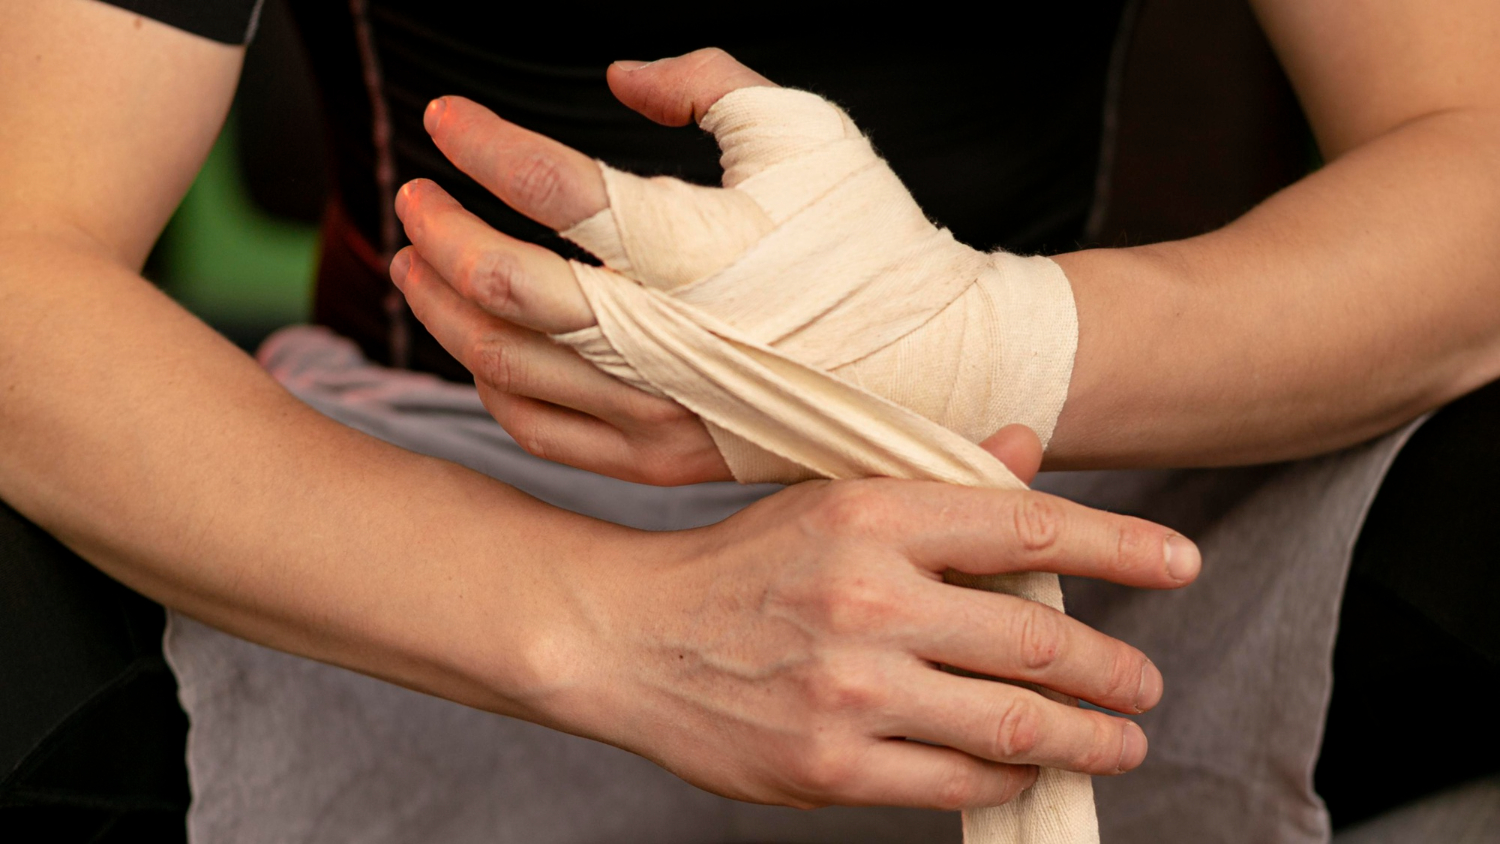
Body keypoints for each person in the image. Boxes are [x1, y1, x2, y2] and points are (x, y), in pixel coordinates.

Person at [0, 2, 1495, 843]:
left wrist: (976, 349)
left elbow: (1473, 151)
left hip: (1065, 497)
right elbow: (19, 256)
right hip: (418, 547)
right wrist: (606, 624)